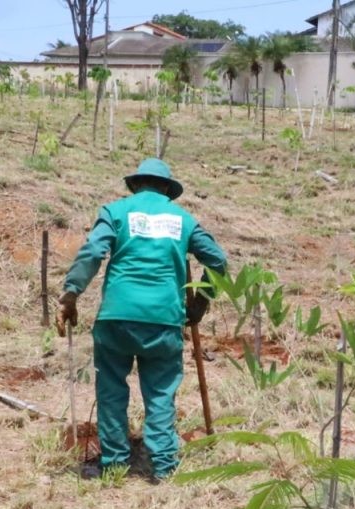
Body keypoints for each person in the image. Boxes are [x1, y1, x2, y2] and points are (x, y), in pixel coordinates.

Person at [56, 159, 227, 480]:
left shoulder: (116, 212)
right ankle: (163, 467)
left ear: (135, 185)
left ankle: (115, 465)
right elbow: (217, 260)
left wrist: (71, 294)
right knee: (161, 392)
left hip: (116, 318)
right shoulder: (184, 220)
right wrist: (199, 305)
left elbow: (93, 253)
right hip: (164, 320)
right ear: (167, 190)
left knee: (111, 391)